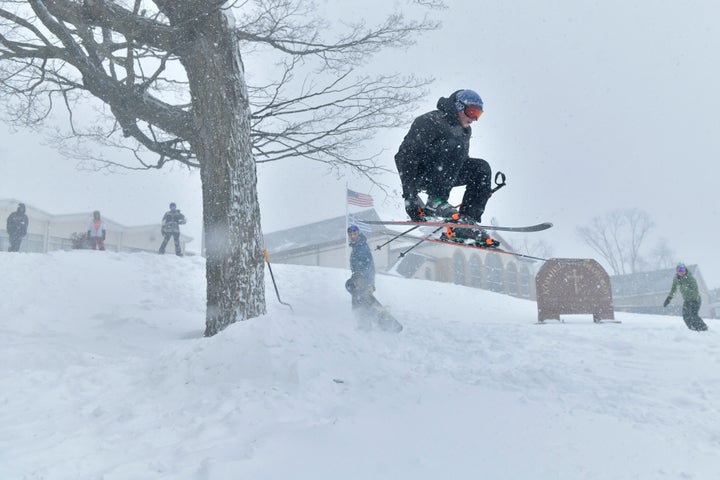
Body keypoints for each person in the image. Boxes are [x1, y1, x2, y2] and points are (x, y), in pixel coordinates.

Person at [394, 89, 499, 247]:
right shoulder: (430, 121)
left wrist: (481, 189)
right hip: (421, 172)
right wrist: (410, 196)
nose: (474, 119)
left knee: (481, 168)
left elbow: (460, 161)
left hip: (444, 173)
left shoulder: (465, 130)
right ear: (458, 106)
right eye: (471, 112)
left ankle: (466, 223)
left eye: (478, 114)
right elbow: (405, 157)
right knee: (451, 144)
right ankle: (435, 201)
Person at [663, 263, 708, 331]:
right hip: (687, 300)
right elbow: (673, 289)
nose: (681, 271)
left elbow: (695, 290)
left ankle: (703, 328)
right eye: (679, 270)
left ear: (685, 270)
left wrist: (693, 300)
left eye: (682, 269)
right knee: (685, 316)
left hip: (696, 299)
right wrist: (669, 298)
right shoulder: (676, 279)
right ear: (677, 271)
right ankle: (692, 328)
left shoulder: (690, 278)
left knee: (693, 315)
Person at [344, 225, 375, 308]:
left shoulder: (361, 246)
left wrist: (361, 277)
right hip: (359, 278)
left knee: (354, 289)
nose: (352, 236)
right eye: (350, 235)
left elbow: (366, 263)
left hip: (364, 279)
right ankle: (360, 311)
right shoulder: (356, 246)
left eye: (354, 234)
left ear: (358, 234)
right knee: (349, 285)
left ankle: (366, 311)